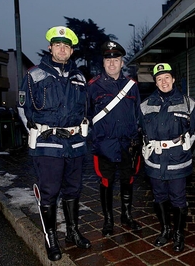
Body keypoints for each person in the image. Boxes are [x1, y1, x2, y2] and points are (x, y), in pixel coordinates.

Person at [17, 26, 91, 261]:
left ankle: (72, 232)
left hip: (75, 144)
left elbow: (86, 110)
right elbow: (22, 108)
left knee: (73, 190)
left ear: (71, 51)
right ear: (50, 48)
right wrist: (34, 133)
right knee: (49, 193)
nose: (62, 49)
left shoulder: (79, 77)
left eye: (67, 46)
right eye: (58, 45)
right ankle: (51, 237)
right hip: (48, 145)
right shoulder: (34, 75)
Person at [140, 63, 195, 252]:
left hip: (178, 161)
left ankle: (179, 234)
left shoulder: (189, 104)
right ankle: (165, 230)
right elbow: (140, 130)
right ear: (155, 83)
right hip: (155, 161)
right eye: (159, 79)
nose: (163, 82)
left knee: (178, 199)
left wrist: (186, 146)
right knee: (159, 197)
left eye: (167, 77)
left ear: (173, 79)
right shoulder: (145, 105)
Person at [88, 40, 142, 236]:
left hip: (128, 144)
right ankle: (108, 220)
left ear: (122, 63)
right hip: (105, 145)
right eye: (108, 60)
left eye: (116, 60)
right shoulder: (93, 86)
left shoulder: (132, 86)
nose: (112, 64)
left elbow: (138, 115)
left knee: (127, 181)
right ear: (103, 63)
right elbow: (86, 115)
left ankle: (126, 216)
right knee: (106, 182)